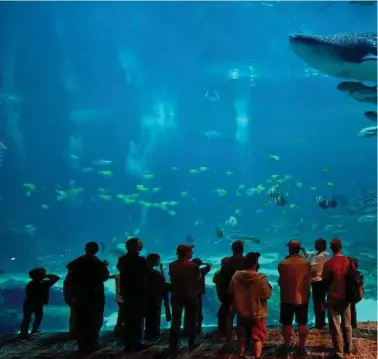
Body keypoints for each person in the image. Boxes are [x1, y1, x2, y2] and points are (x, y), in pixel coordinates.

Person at [67, 241, 109, 354]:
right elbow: (104, 276)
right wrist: (104, 266)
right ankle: (92, 343)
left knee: (82, 319)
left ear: (85, 249)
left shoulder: (78, 261)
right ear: (96, 250)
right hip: (94, 295)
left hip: (81, 295)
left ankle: (82, 344)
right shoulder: (97, 262)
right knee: (95, 319)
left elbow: (69, 268)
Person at [229, 252, 272, 359]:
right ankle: (257, 357)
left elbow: (230, 291)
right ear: (255, 264)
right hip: (257, 313)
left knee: (242, 336)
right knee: (257, 337)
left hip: (241, 311)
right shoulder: (261, 278)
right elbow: (267, 295)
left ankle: (241, 355)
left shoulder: (236, 276)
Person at [278, 240, 311, 359]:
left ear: (290, 249)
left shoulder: (282, 263)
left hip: (286, 298)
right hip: (302, 298)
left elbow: (280, 281)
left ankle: (287, 349)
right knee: (302, 323)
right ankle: (301, 348)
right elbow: (308, 279)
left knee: (287, 324)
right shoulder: (306, 263)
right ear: (299, 249)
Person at [168, 244, 205, 351]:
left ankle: (173, 344)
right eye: (190, 251)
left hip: (176, 296)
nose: (192, 253)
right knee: (191, 320)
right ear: (186, 253)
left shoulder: (172, 265)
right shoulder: (193, 266)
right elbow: (197, 279)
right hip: (190, 295)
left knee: (176, 320)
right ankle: (191, 342)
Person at [322, 238, 353, 359]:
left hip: (333, 298)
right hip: (346, 297)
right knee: (347, 324)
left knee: (335, 326)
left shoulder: (328, 264)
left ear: (331, 248)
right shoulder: (347, 261)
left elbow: (323, 281)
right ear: (341, 247)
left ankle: (339, 351)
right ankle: (349, 349)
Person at [117, 238, 147, 352]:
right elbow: (145, 273)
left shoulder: (122, 259)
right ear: (134, 246)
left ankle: (128, 343)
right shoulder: (141, 259)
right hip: (138, 292)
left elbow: (121, 271)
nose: (142, 246)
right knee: (138, 318)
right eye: (140, 244)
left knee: (128, 318)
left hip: (127, 291)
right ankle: (137, 342)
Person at [217, 240, 245, 342]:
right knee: (241, 316)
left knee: (229, 315)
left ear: (232, 249)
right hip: (243, 292)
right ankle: (241, 340)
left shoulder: (225, 261)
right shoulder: (246, 261)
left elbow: (222, 275)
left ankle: (228, 339)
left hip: (229, 291)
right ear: (242, 249)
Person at [20, 268, 60, 336]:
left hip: (31, 303)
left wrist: (44, 276)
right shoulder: (43, 284)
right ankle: (30, 330)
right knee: (34, 317)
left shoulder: (32, 284)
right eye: (42, 273)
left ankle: (26, 331)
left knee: (32, 317)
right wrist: (46, 276)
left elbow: (56, 278)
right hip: (33, 303)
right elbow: (56, 278)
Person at [300, 238, 329, 330]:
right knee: (317, 303)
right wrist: (302, 249)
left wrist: (300, 264)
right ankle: (320, 322)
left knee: (319, 303)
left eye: (316, 244)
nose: (315, 245)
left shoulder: (323, 255)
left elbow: (313, 267)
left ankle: (320, 324)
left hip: (319, 282)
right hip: (315, 281)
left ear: (322, 246)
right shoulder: (317, 253)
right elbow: (309, 255)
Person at [145, 253, 171, 341]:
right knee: (154, 319)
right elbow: (162, 283)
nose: (159, 261)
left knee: (149, 320)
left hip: (147, 298)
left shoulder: (145, 271)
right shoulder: (154, 273)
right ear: (154, 261)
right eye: (158, 260)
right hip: (154, 298)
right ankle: (153, 337)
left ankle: (149, 336)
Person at [191, 258, 211, 334]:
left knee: (190, 312)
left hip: (190, 293)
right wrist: (203, 263)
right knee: (198, 311)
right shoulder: (201, 271)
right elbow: (209, 266)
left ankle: (190, 330)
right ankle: (197, 330)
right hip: (198, 293)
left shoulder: (188, 272)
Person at [63, 268, 76, 338]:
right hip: (73, 299)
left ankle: (73, 332)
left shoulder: (68, 277)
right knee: (75, 315)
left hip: (71, 298)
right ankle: (72, 333)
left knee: (74, 315)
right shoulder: (71, 278)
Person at [350, 257, 362, 330]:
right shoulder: (358, 273)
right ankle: (353, 324)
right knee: (353, 308)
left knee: (351, 308)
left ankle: (353, 324)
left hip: (353, 294)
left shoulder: (353, 273)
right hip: (356, 294)